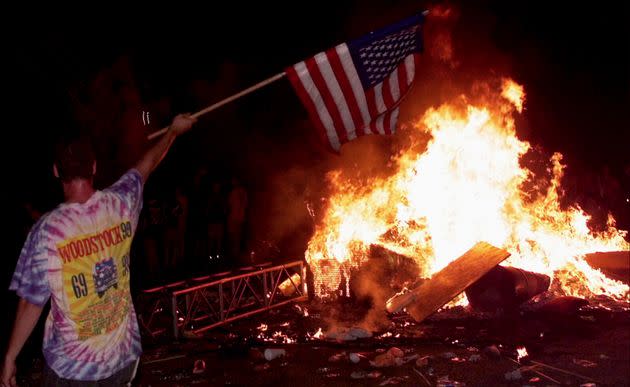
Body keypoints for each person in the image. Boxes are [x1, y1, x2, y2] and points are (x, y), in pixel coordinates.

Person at [1, 114, 196, 386]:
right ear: (94, 166)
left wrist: (11, 356)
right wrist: (172, 132)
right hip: (122, 360)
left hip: (72, 370)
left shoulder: (47, 232)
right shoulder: (122, 203)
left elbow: (31, 302)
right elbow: (147, 164)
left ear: (56, 170)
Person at [227, 176, 248, 263]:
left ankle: (235, 255)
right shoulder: (241, 192)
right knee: (235, 236)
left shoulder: (237, 192)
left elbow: (230, 204)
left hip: (236, 217)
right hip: (237, 217)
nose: (233, 183)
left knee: (235, 236)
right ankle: (235, 254)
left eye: (234, 181)